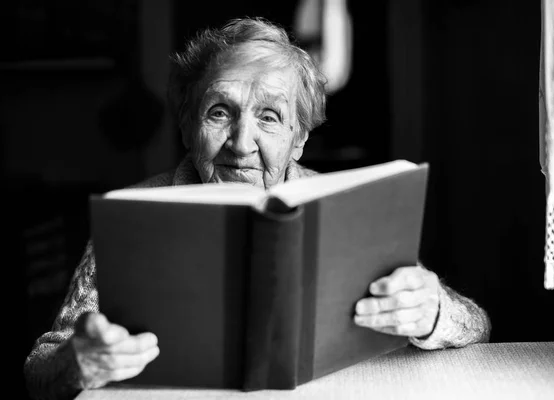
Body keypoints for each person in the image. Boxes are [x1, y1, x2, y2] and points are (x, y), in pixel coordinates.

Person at [23, 17, 491, 400]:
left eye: (269, 117)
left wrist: (433, 313)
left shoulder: (346, 209)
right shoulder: (135, 215)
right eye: (219, 112)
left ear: (299, 138)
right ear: (188, 127)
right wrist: (77, 363)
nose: (242, 144)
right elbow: (39, 372)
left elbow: (477, 328)